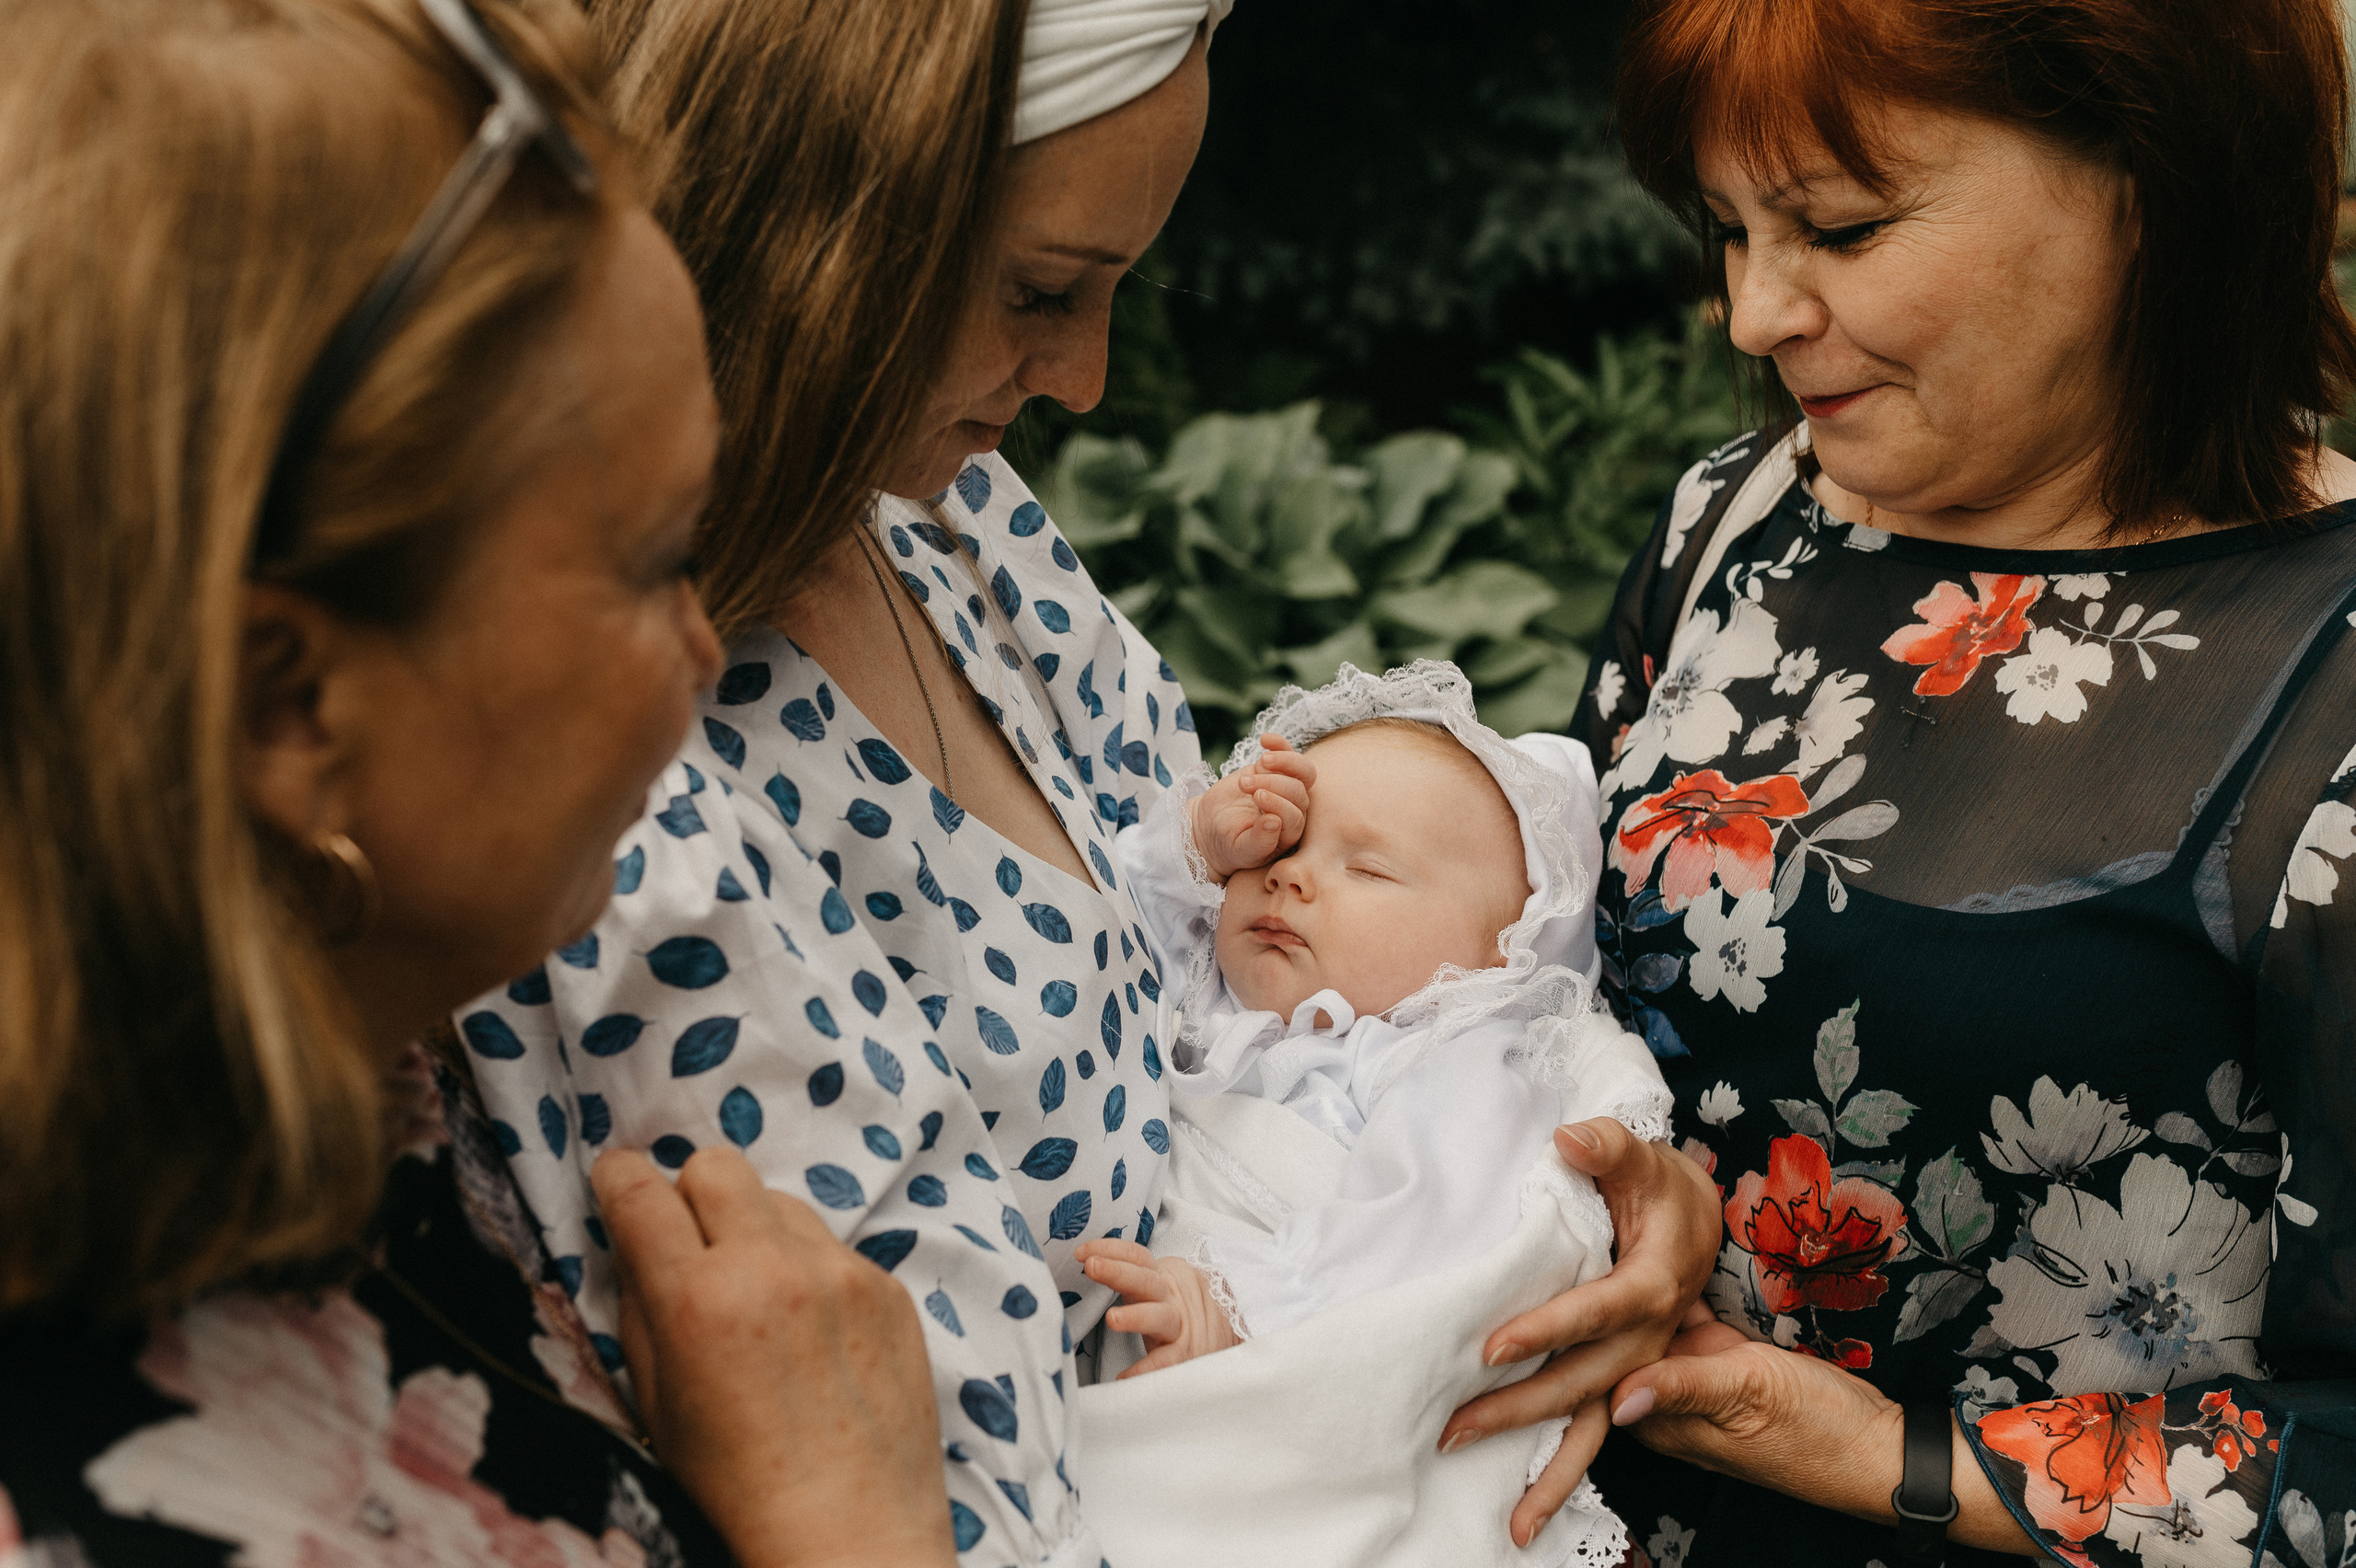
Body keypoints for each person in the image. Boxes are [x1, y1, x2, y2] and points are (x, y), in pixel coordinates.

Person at [461, 0, 1723, 1556]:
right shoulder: (604, 782)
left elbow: (1256, 966)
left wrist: (1550, 1203)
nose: (1087, 377)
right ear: (805, 222)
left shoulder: (953, 524)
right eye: (1045, 287)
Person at [0, 1, 954, 1562]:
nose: (710, 648)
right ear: (288, 703)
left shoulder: (325, 1024)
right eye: (656, 563)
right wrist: (857, 1531)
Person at [1572, 0, 2356, 1564]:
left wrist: (1890, 1456)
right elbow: (1523, 994)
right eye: (1728, 230)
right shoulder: (1736, 525)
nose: (1754, 312)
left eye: (1840, 227)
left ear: (2148, 182)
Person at [1062, 663, 1670, 1566]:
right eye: (1274, 854)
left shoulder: (1462, 1054)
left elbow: (1432, 1232)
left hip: (1272, 1360)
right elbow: (1084, 924)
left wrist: (1235, 1305)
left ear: (1501, 950)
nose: (1289, 881)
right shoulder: (1216, 1000)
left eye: (1369, 867)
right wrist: (1195, 842)